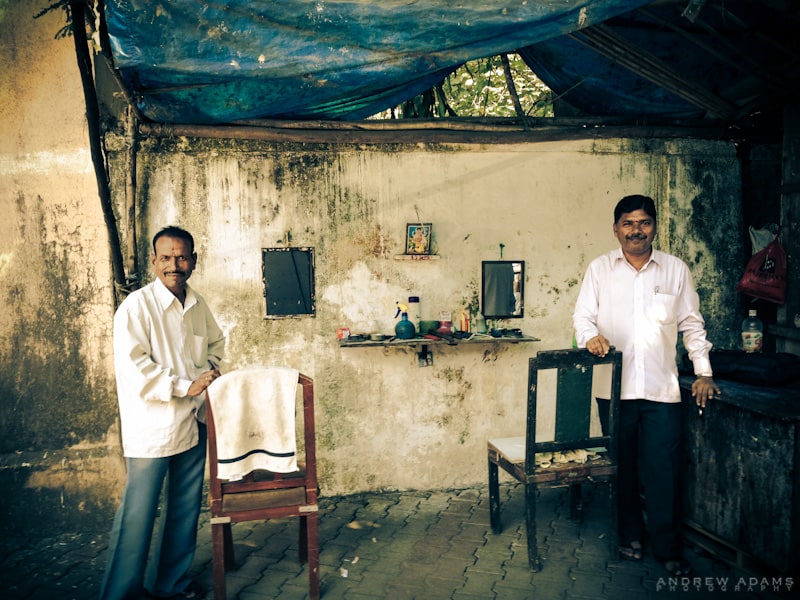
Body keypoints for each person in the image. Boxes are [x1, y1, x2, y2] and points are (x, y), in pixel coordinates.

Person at [572, 195, 719, 577]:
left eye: (644, 222)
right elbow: (583, 317)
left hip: (661, 392)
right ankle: (630, 536)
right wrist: (590, 338)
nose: (636, 230)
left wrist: (704, 372)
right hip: (613, 391)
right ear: (616, 228)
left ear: (654, 226)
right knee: (622, 470)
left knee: (664, 472)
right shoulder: (600, 269)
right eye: (628, 223)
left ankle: (668, 549)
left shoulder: (674, 270)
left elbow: (691, 323)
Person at [100, 226, 225, 600]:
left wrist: (210, 373)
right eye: (167, 257)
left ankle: (170, 585)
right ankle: (120, 593)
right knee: (137, 515)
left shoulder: (198, 305)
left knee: (184, 511)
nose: (175, 264)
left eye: (182, 256)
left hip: (193, 420)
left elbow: (216, 345)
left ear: (194, 261)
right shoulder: (136, 308)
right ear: (154, 261)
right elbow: (136, 365)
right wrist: (184, 385)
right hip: (153, 426)